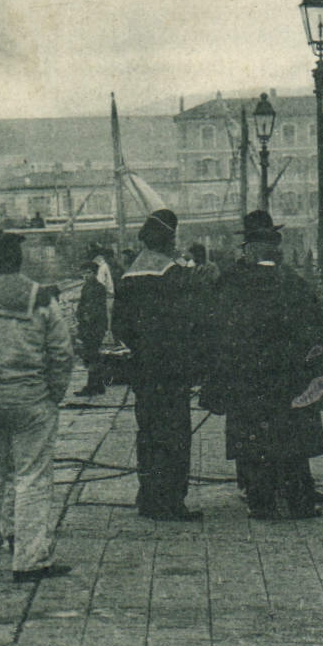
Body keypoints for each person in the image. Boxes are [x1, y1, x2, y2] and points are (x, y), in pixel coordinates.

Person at [0, 230, 74, 581]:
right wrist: (55, 393)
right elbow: (62, 353)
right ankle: (30, 560)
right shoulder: (39, 298)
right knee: (31, 478)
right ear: (18, 259)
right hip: (31, 399)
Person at [205, 211, 323, 521]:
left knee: (253, 439)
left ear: (248, 250)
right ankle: (300, 500)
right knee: (292, 438)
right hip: (287, 377)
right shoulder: (293, 282)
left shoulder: (231, 283)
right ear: (275, 249)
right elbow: (313, 327)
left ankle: (261, 501)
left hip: (247, 376)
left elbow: (217, 327)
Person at [113, 209, 208, 522]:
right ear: (170, 239)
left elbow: (120, 326)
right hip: (173, 368)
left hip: (143, 368)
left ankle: (149, 496)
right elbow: (192, 319)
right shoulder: (174, 274)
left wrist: (142, 349)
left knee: (148, 431)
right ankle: (171, 502)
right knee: (175, 433)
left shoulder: (129, 275)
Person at [69, 260, 110, 396]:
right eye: (84, 274)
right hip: (88, 325)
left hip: (94, 326)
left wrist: (86, 318)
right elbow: (82, 305)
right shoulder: (87, 287)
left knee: (91, 355)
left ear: (95, 273)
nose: (86, 276)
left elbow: (95, 310)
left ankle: (92, 385)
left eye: (88, 273)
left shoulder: (98, 288)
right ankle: (97, 385)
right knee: (91, 355)